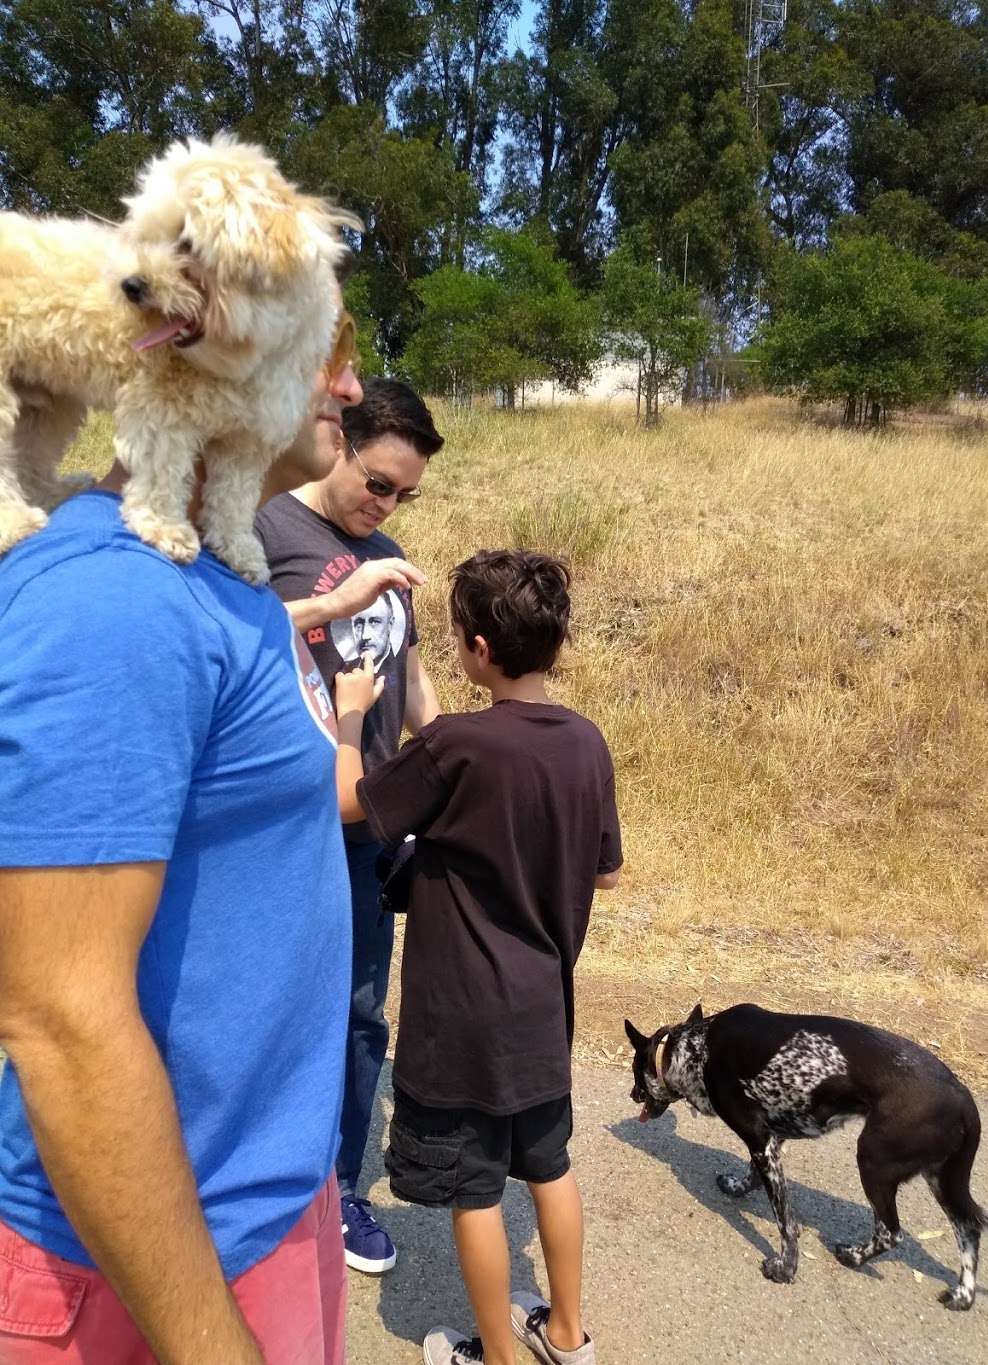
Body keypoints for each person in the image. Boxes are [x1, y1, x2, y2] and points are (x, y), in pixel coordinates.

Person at [0, 311, 365, 1365]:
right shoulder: (117, 600)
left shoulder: (223, 579)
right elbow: (59, 1018)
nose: (347, 390)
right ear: (222, 359)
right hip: (137, 1266)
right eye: (329, 356)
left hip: (257, 1207)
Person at [334, 550, 623, 1365]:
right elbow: (606, 865)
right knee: (550, 1166)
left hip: (461, 1019)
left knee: (474, 1189)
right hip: (543, 1005)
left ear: (480, 648)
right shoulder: (585, 742)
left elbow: (351, 799)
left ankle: (493, 1353)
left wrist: (354, 715)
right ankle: (567, 1334)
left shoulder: (459, 745)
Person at [255, 377, 444, 1276]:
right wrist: (334, 601)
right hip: (280, 822)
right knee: (270, 1006)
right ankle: (256, 1184)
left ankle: (339, 1189)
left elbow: (408, 676)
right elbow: (226, 633)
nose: (387, 503)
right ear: (338, 443)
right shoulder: (264, 527)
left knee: (363, 1016)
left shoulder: (391, 545)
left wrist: (454, 756)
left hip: (370, 822)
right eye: (377, 481)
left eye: (404, 492)